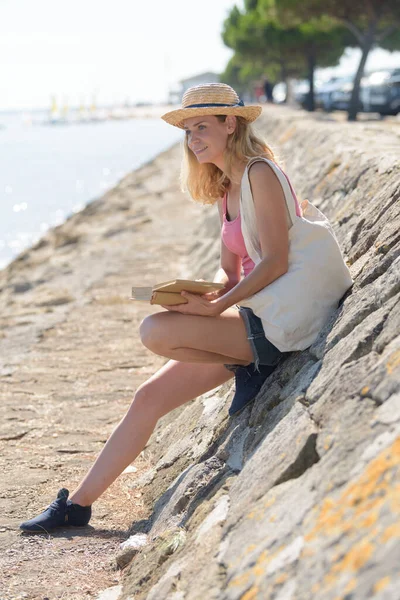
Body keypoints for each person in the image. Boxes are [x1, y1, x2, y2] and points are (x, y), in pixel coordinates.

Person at [19, 83, 352, 533]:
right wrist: (200, 296)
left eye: (201, 127)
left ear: (230, 124)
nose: (193, 139)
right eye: (187, 131)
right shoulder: (225, 188)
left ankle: (252, 360)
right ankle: (76, 506)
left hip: (285, 314)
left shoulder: (260, 174)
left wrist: (217, 311)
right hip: (257, 311)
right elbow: (231, 273)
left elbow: (275, 260)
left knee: (155, 331)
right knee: (148, 397)